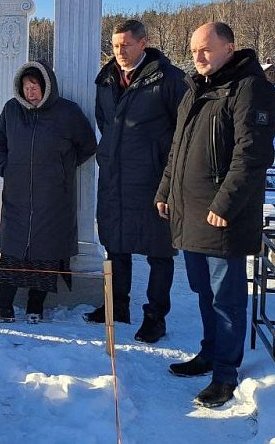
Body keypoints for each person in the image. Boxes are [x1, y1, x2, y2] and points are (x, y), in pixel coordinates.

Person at [155, 22, 275, 408]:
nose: (198, 57)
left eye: (206, 49)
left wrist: (224, 205)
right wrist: (165, 190)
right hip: (191, 213)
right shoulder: (197, 89)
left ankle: (225, 374)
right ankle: (209, 353)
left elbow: (252, 155)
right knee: (203, 292)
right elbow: (178, 148)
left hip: (222, 218)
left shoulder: (249, 88)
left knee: (226, 299)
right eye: (193, 50)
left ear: (230, 47)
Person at [84, 20, 187, 344]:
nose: (120, 52)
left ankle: (155, 318)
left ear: (144, 43)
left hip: (153, 180)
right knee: (115, 246)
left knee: (160, 252)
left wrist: (167, 176)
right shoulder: (105, 81)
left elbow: (182, 131)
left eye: (126, 45)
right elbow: (107, 124)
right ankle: (117, 306)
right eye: (115, 46)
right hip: (115, 177)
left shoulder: (168, 80)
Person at [0, 61, 96, 324]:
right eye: (26, 87)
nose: (31, 91)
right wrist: (5, 167)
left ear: (47, 86)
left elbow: (87, 145)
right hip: (17, 195)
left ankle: (35, 306)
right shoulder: (11, 111)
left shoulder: (67, 112)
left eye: (35, 86)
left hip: (53, 196)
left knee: (45, 250)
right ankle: (2, 305)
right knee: (12, 249)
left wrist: (62, 167)